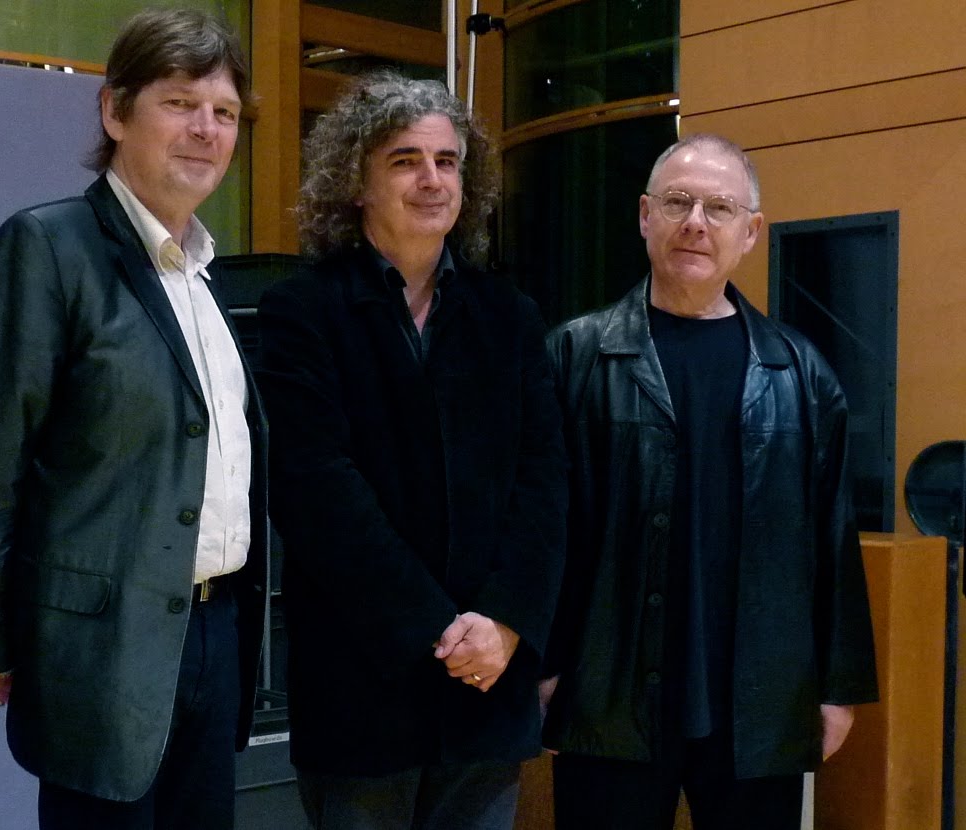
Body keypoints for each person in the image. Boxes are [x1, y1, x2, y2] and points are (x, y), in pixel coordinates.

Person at [0, 9, 268, 829]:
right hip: (97, 653)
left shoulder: (204, 276)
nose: (206, 129)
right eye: (180, 103)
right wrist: (2, 638)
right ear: (115, 111)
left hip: (215, 634)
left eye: (224, 112)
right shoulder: (48, 248)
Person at [254, 70, 567, 830]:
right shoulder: (303, 311)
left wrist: (504, 622)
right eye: (405, 160)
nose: (432, 179)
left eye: (447, 161)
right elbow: (317, 490)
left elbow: (545, 484)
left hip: (488, 683)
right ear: (356, 182)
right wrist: (439, 631)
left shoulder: (509, 316)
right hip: (362, 686)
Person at [540, 133, 878, 830]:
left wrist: (838, 687)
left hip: (759, 698)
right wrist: (541, 666)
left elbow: (833, 540)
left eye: (720, 208)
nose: (696, 222)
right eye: (678, 202)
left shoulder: (801, 371)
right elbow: (544, 530)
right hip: (608, 690)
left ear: (750, 232)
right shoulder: (575, 355)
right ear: (645, 216)